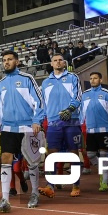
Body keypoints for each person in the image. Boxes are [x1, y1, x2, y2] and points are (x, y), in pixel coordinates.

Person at [0, 50, 45, 212]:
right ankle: (5, 199)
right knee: (5, 159)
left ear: (17, 61)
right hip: (8, 128)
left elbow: (39, 101)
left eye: (9, 59)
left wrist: (37, 121)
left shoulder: (27, 79)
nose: (6, 62)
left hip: (28, 127)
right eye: (4, 60)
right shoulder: (1, 84)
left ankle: (35, 193)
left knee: (32, 162)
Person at [37, 53, 83, 198]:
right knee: (51, 156)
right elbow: (42, 104)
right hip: (53, 123)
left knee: (73, 155)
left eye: (60, 60)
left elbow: (78, 96)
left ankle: (76, 185)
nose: (58, 62)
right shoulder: (45, 83)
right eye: (55, 61)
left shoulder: (72, 77)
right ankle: (50, 186)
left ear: (64, 63)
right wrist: (40, 121)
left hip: (71, 121)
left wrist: (69, 109)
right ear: (51, 64)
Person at [80, 72, 108, 192]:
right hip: (90, 130)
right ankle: (104, 172)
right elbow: (81, 113)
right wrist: (80, 126)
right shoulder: (85, 94)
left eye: (95, 78)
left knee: (104, 155)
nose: (92, 80)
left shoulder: (107, 94)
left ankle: (104, 181)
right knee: (90, 155)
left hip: (104, 129)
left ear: (100, 79)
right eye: (90, 78)